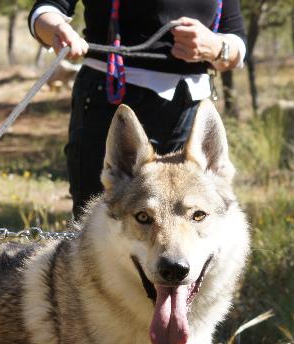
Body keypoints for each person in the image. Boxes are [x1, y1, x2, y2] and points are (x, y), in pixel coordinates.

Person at [29, 0, 247, 218]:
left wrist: (218, 47)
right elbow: (46, 9)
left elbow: (236, 38)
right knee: (98, 221)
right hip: (108, 103)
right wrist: (56, 30)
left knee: (189, 222)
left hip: (190, 111)